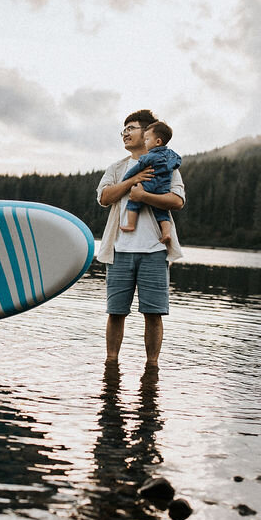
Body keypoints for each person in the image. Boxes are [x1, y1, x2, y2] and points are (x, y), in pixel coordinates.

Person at [96, 110, 185, 365]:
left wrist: (144, 196)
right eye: (123, 130)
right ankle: (111, 363)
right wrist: (133, 180)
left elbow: (177, 201)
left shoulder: (167, 163)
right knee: (115, 312)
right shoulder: (116, 168)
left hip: (155, 250)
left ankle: (152, 366)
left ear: (147, 134)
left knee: (154, 314)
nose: (125, 133)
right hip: (119, 250)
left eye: (131, 128)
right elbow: (104, 198)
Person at [119, 121, 181, 245]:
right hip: (163, 187)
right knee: (162, 212)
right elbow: (178, 161)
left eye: (147, 139)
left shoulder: (149, 156)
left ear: (158, 142)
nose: (145, 142)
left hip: (149, 184)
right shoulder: (172, 155)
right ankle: (166, 233)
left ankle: (131, 224)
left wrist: (127, 179)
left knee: (134, 202)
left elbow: (137, 168)